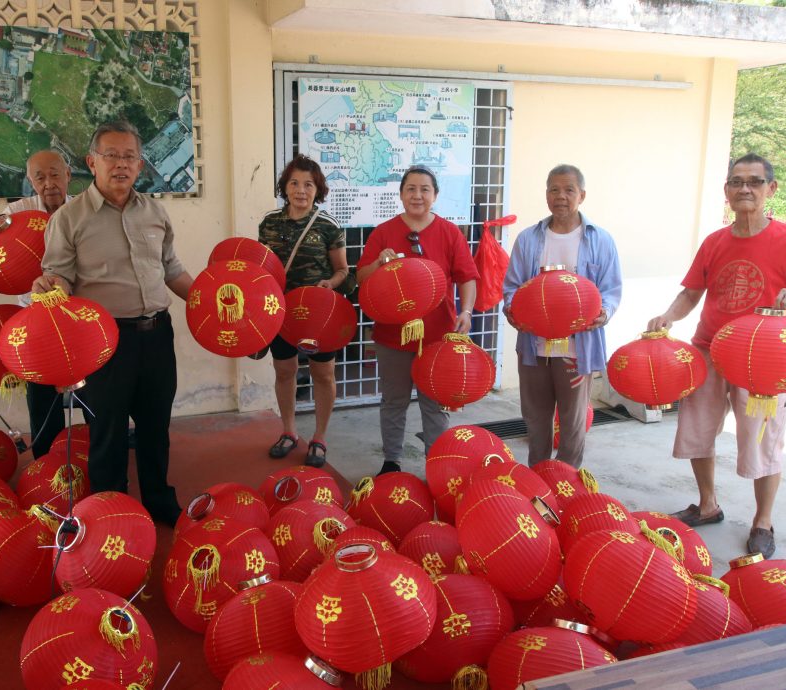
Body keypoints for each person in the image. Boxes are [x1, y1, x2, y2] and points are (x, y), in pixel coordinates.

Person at [647, 153, 786, 559]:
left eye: (753, 181)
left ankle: (762, 522)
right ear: (727, 192)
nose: (744, 188)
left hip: (763, 361)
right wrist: (669, 316)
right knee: (697, 431)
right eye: (736, 182)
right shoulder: (714, 241)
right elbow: (691, 293)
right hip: (709, 350)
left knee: (762, 444)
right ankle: (708, 503)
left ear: (771, 189)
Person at [32, 121, 194, 526]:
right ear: (92, 162)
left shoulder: (155, 212)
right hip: (103, 343)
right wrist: (51, 285)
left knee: (156, 425)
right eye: (111, 156)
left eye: (129, 157)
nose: (121, 164)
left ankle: (159, 500)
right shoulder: (69, 219)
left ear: (139, 165)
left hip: (157, 335)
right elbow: (60, 278)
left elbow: (172, 269)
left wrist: (208, 303)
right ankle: (111, 509)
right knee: (107, 430)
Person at [357, 166, 479, 475]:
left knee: (435, 403)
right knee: (394, 400)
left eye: (425, 189)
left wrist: (466, 311)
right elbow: (362, 277)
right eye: (411, 188)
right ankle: (391, 461)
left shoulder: (450, 232)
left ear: (435, 195)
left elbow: (467, 277)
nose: (417, 195)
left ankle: (438, 465)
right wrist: (378, 264)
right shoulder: (383, 232)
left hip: (437, 336)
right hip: (392, 336)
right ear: (401, 194)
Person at [503, 164, 622, 469]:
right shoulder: (529, 239)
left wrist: (604, 313)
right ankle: (538, 479)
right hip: (534, 346)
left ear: (581, 195)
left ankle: (566, 482)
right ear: (546, 195)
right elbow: (512, 287)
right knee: (536, 419)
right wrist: (512, 308)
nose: (561, 196)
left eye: (569, 190)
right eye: (554, 189)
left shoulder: (600, 239)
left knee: (572, 423)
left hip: (577, 347)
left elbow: (610, 289)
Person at [0, 150, 74, 459]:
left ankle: (91, 453)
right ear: (30, 181)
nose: (49, 183)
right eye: (40, 177)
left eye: (55, 174)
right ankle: (46, 460)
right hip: (35, 319)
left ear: (68, 175)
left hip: (77, 315)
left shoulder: (83, 210)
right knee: (41, 395)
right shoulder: (19, 212)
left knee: (94, 391)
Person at [258, 155, 349, 467]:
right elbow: (260, 269)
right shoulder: (269, 223)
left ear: (317, 189)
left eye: (308, 184)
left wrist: (329, 283)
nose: (300, 190)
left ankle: (320, 438)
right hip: (281, 312)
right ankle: (289, 432)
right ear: (285, 187)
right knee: (284, 371)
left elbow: (342, 271)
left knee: (323, 373)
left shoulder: (328, 226)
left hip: (319, 315)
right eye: (294, 183)